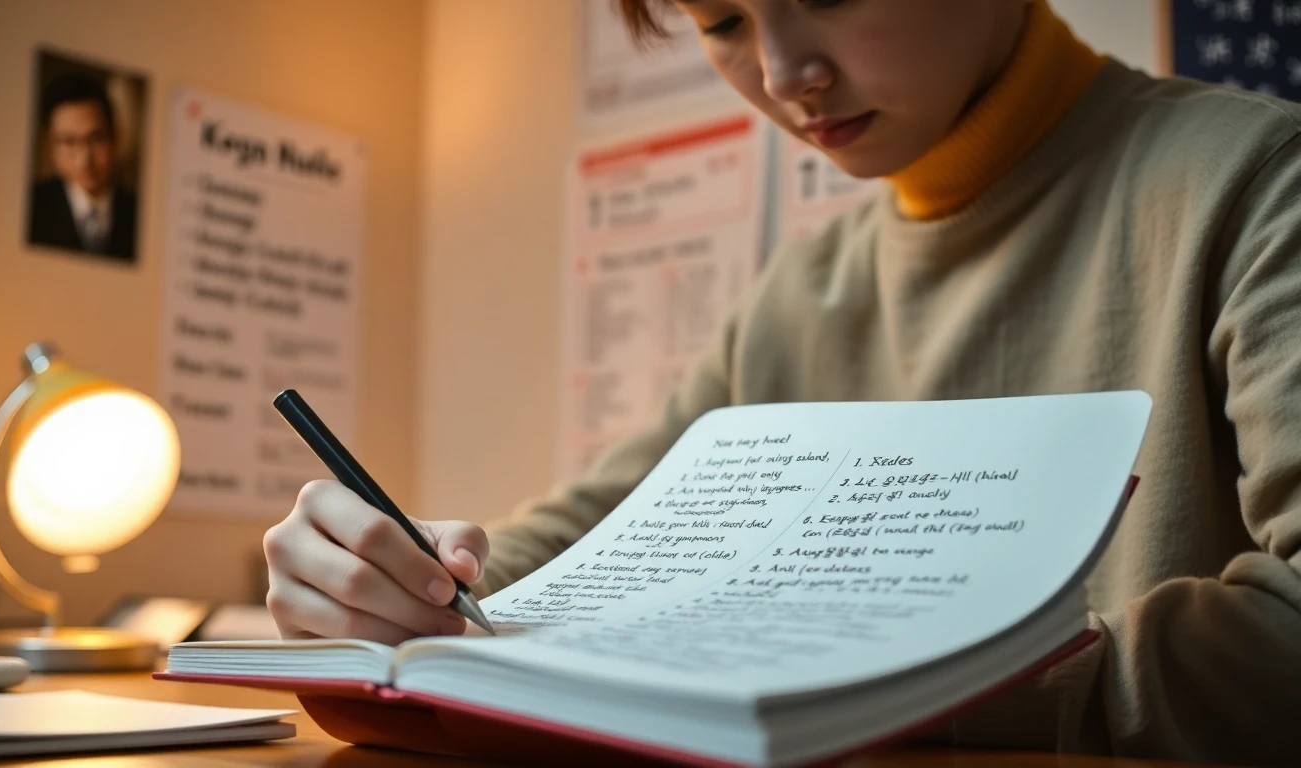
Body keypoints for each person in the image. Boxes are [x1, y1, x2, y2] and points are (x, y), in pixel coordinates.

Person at [261, 0, 1301, 763]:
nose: (782, 71)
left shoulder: (1257, 184)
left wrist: (926, 691)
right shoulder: (801, 289)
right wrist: (413, 583)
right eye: (718, 20)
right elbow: (606, 525)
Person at [27, 73, 138, 262]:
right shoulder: (31, 207)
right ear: (50, 145)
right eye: (69, 141)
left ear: (116, 139)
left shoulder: (139, 213)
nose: (84, 159)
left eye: (96, 139)